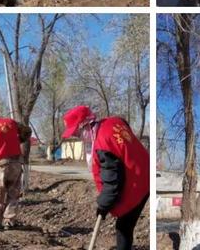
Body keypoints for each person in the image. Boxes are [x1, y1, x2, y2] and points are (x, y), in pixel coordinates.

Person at [62, 106, 149, 250]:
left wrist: (103, 206)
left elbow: (112, 183)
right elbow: (124, 122)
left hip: (138, 182)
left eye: (77, 133)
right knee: (125, 224)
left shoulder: (103, 144)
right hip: (144, 173)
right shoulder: (111, 122)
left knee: (123, 227)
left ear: (86, 125)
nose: (77, 137)